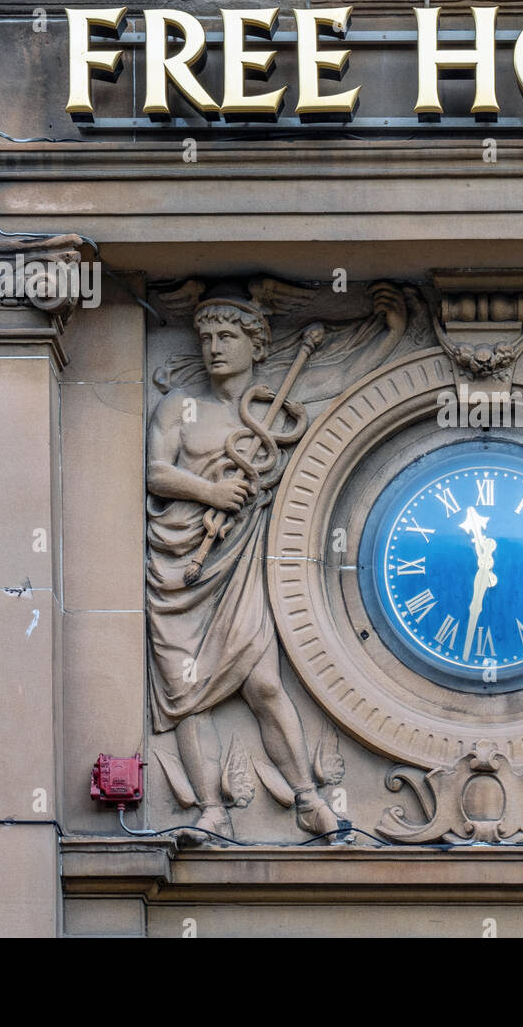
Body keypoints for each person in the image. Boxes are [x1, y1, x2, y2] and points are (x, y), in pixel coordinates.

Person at [146, 282, 408, 840]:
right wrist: (210, 493)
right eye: (205, 336)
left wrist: (392, 334)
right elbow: (154, 472)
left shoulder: (272, 405)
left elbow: (342, 379)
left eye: (227, 336)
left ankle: (308, 800)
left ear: (257, 346)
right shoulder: (178, 408)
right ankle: (212, 811)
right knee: (187, 693)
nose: (214, 347)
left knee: (262, 684)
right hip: (179, 565)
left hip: (240, 562)